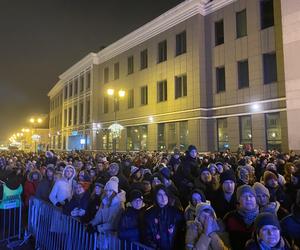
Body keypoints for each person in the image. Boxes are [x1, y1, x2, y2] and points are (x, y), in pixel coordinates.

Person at [143, 184, 184, 250]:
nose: (163, 197)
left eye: (165, 194)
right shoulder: (149, 214)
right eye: (159, 195)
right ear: (155, 197)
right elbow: (147, 237)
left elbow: (181, 235)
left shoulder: (176, 213)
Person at [224, 185, 259, 250]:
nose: (248, 199)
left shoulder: (263, 217)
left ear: (255, 199)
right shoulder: (230, 218)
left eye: (251, 196)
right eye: (244, 196)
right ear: (238, 201)